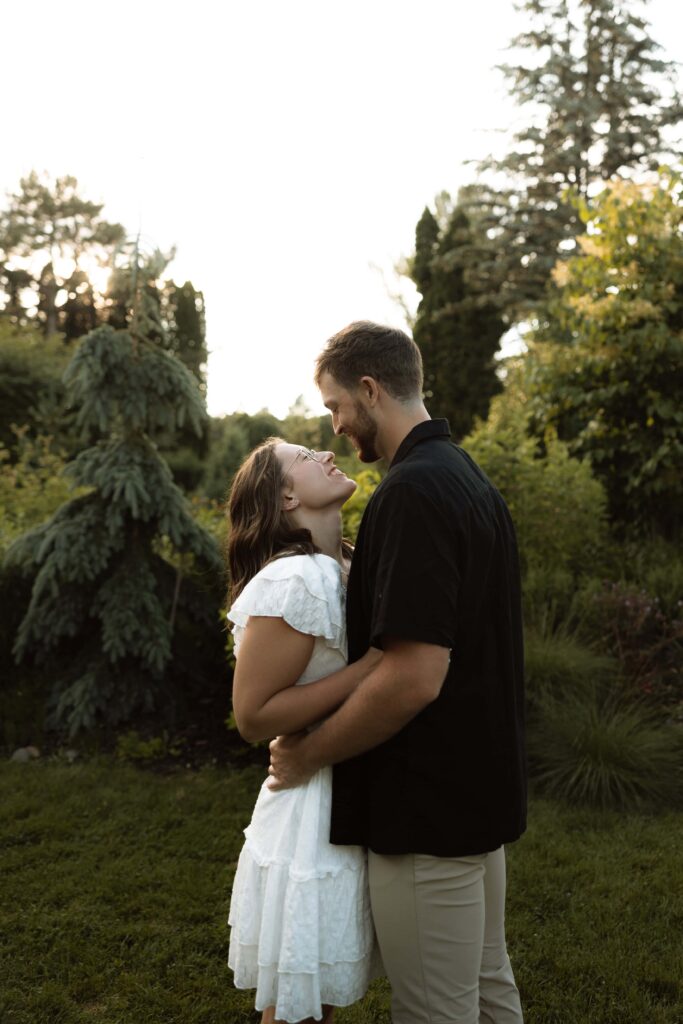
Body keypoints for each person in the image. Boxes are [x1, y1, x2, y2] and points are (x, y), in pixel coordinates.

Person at [268, 322, 527, 1024]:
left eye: (335, 407)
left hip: (428, 813)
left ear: (370, 390)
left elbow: (412, 677)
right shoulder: (464, 475)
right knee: (486, 990)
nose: (336, 426)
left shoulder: (409, 494)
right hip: (476, 800)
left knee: (433, 1011)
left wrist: (306, 757)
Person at [225, 436, 382, 1024]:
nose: (324, 453)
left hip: (347, 781)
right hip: (310, 812)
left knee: (313, 997)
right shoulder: (297, 577)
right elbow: (254, 716)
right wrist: (370, 670)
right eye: (303, 457)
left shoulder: (341, 561)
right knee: (297, 1006)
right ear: (286, 495)